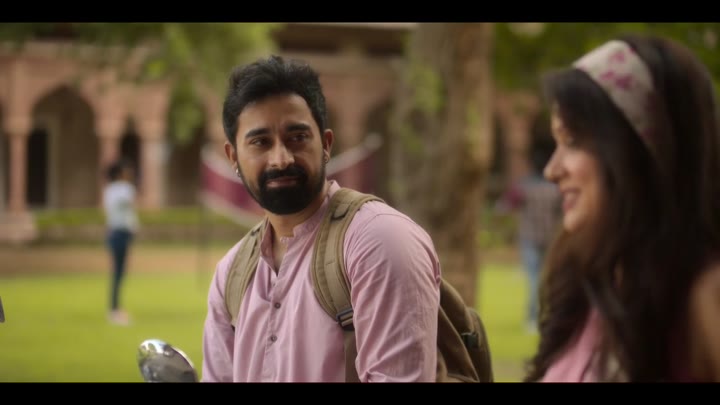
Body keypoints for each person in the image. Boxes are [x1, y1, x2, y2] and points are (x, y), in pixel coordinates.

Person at [201, 55, 442, 382]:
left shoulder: (379, 242)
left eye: (297, 138)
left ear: (326, 144)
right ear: (233, 157)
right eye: (260, 142)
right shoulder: (232, 273)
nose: (281, 159)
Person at [524, 34, 720, 382]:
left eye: (573, 141)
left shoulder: (704, 297)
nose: (552, 170)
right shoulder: (593, 284)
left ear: (636, 151)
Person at [497, 144, 561, 333]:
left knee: (533, 278)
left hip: (529, 238)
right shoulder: (555, 188)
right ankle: (548, 315)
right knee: (547, 279)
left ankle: (532, 318)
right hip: (549, 238)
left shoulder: (524, 187)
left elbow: (503, 208)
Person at [102, 159, 139, 326]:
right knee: (119, 272)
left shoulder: (108, 190)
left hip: (113, 233)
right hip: (121, 233)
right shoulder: (125, 189)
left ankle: (114, 308)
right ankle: (115, 310)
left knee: (117, 272)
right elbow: (130, 209)